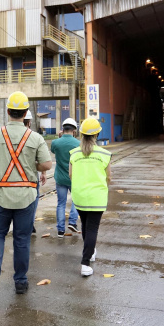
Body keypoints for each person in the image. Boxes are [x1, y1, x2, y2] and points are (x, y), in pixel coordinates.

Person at [0, 91, 53, 298]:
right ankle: (20, 281)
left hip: (1, 196)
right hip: (26, 197)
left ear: (8, 111)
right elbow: (47, 164)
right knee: (21, 238)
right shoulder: (35, 137)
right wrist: (32, 165)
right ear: (26, 113)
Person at [68, 118, 112, 277]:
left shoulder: (74, 153)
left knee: (86, 226)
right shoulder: (105, 154)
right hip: (97, 197)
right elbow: (109, 177)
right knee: (92, 228)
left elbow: (70, 175)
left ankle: (90, 252)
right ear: (97, 134)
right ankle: (85, 264)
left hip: (79, 196)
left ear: (81, 134)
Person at [50, 118, 81, 236]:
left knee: (61, 203)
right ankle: (72, 222)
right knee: (76, 200)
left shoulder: (55, 143)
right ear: (74, 130)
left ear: (62, 129)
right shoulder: (78, 144)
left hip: (60, 178)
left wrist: (59, 138)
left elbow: (54, 151)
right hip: (74, 178)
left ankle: (60, 230)